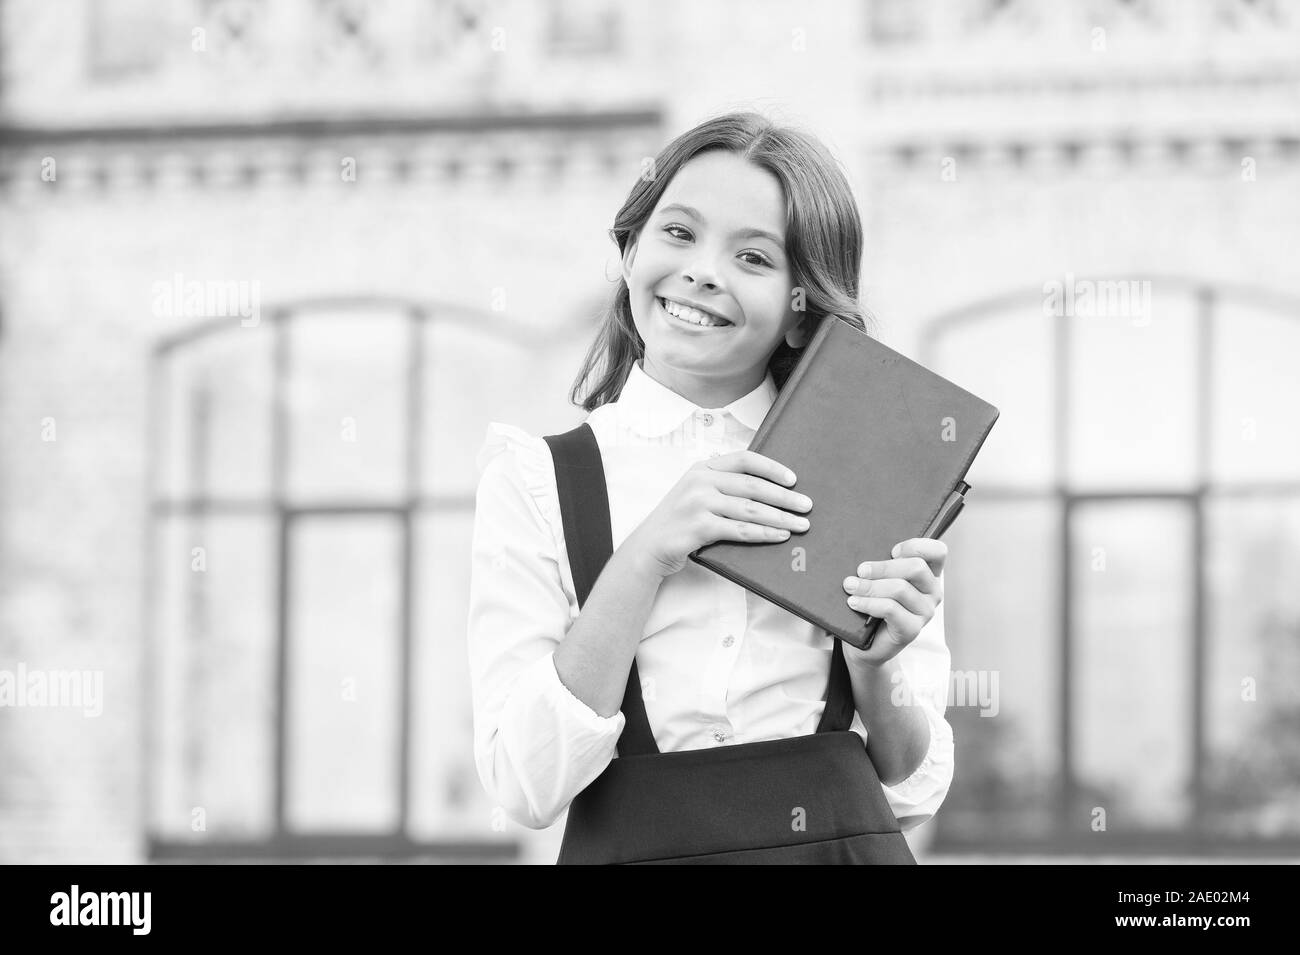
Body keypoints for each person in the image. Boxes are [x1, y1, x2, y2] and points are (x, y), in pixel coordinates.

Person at [468, 111, 954, 864]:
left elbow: (910, 786)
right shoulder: (536, 480)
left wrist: (874, 662)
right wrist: (647, 555)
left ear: (802, 310)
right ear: (630, 250)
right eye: (678, 233)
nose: (702, 270)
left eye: (755, 257)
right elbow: (523, 784)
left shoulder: (871, 466)